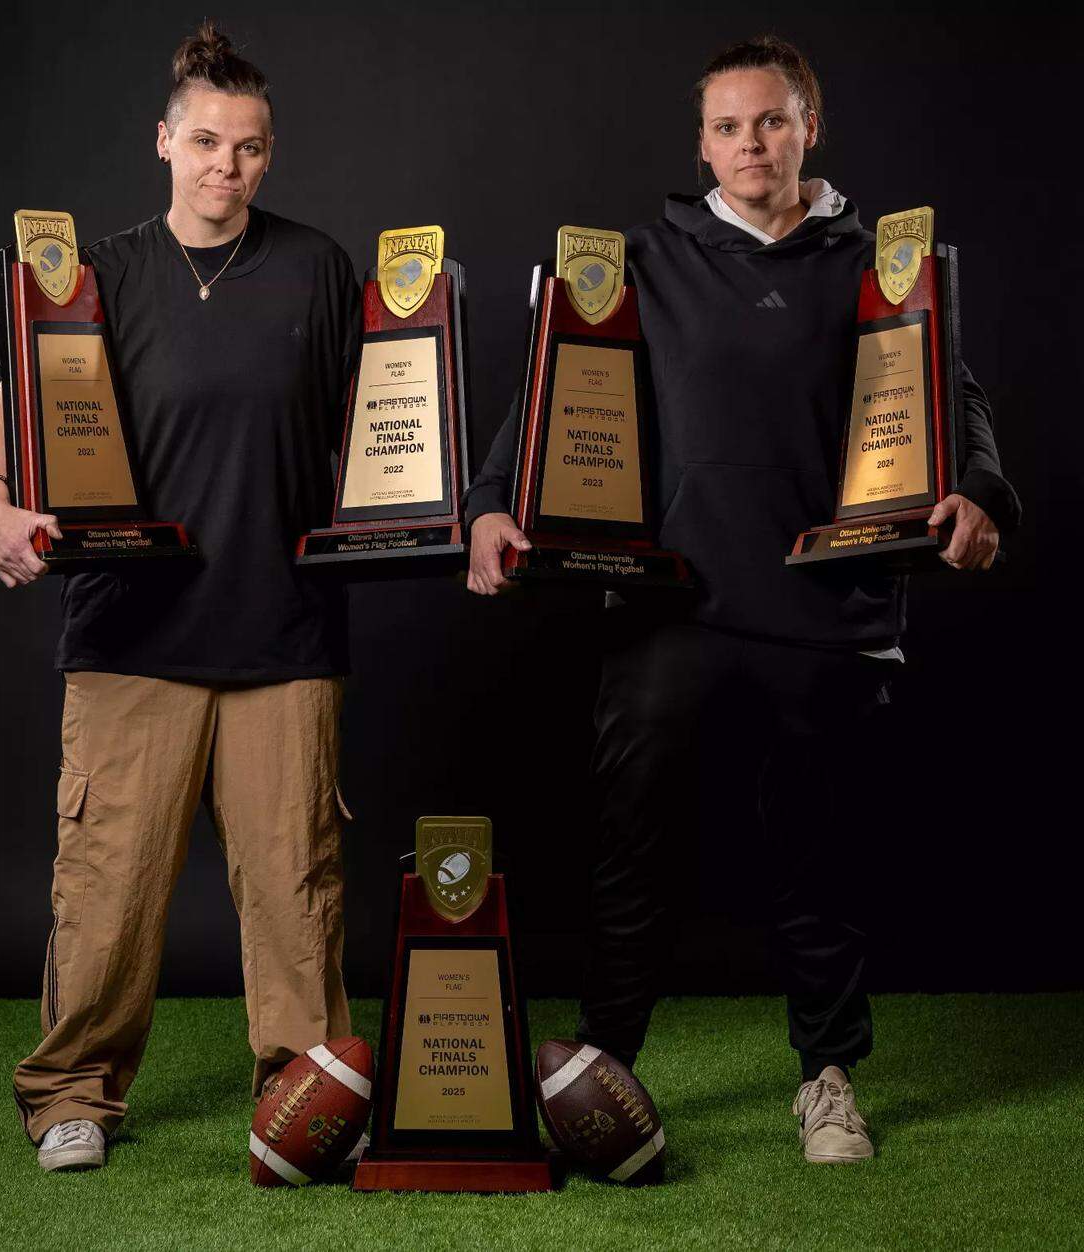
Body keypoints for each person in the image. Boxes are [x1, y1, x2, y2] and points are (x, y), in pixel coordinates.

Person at [464, 36, 1020, 1164]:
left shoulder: (878, 263)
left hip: (830, 606)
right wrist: (486, 506)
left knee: (822, 858)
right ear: (703, 145)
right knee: (631, 850)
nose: (750, 143)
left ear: (810, 127)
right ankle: (603, 1067)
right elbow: (545, 396)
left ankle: (829, 1079)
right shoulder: (640, 263)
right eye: (727, 126)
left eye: (770, 121)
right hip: (674, 609)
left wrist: (980, 491)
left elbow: (954, 398)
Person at [0, 23, 360, 1171]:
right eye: (204, 142)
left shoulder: (319, 268)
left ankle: (306, 1099)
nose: (225, 166)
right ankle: (72, 1093)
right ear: (163, 141)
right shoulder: (99, 272)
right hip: (130, 633)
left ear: (269, 153)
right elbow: (8, 406)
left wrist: (425, 508)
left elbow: (385, 415)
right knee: (107, 885)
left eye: (248, 147)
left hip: (284, 632)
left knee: (296, 889)